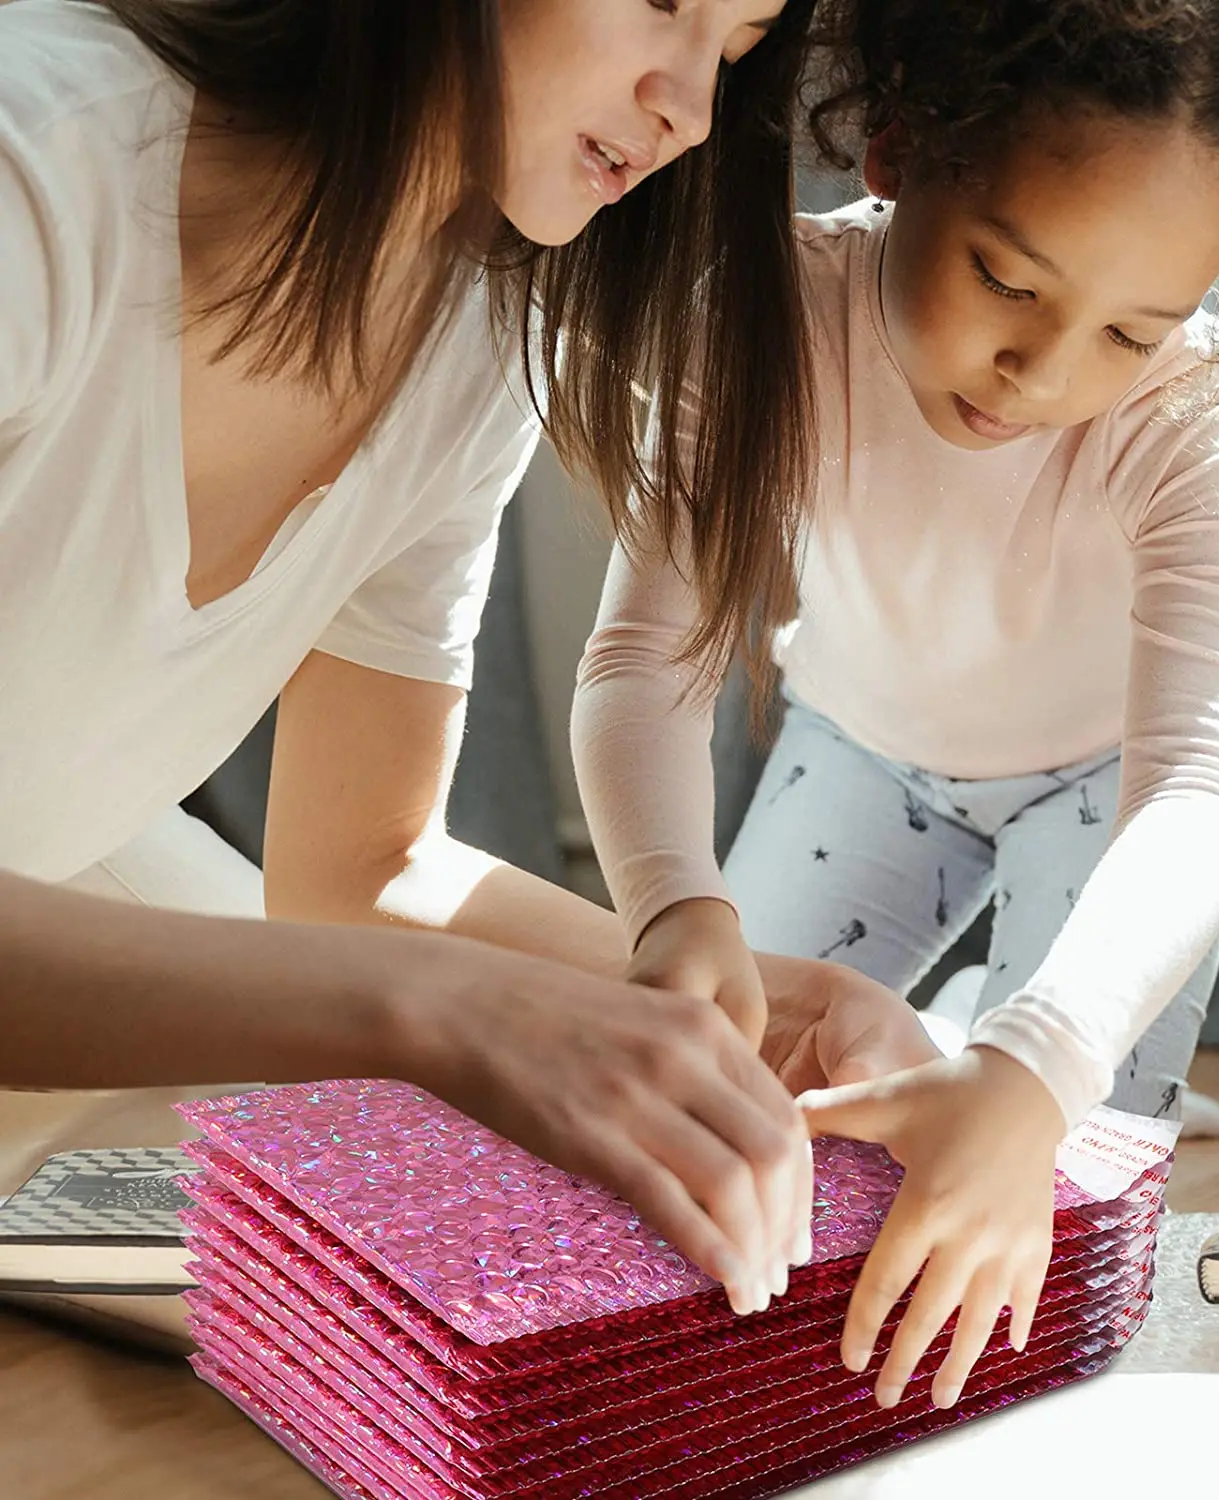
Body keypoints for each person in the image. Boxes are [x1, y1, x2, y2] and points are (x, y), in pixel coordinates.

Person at [573, 0, 1219, 1404]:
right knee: (752, 1104)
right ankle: (968, 1026)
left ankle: (1017, 1019)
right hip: (860, 747)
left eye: (1132, 330)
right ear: (900, 148)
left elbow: (1201, 791)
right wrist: (674, 909)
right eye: (1005, 278)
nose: (1043, 378)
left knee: (1061, 1178)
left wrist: (1044, 1066)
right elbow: (641, 662)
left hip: (1101, 794)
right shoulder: (766, 316)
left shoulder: (1198, 424)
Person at [0, 0, 938, 1322]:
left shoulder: (474, 325)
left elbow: (362, 868)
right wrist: (449, 1013)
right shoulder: (37, 164)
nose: (690, 104)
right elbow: (387, 967)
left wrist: (735, 999)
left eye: (734, 46)